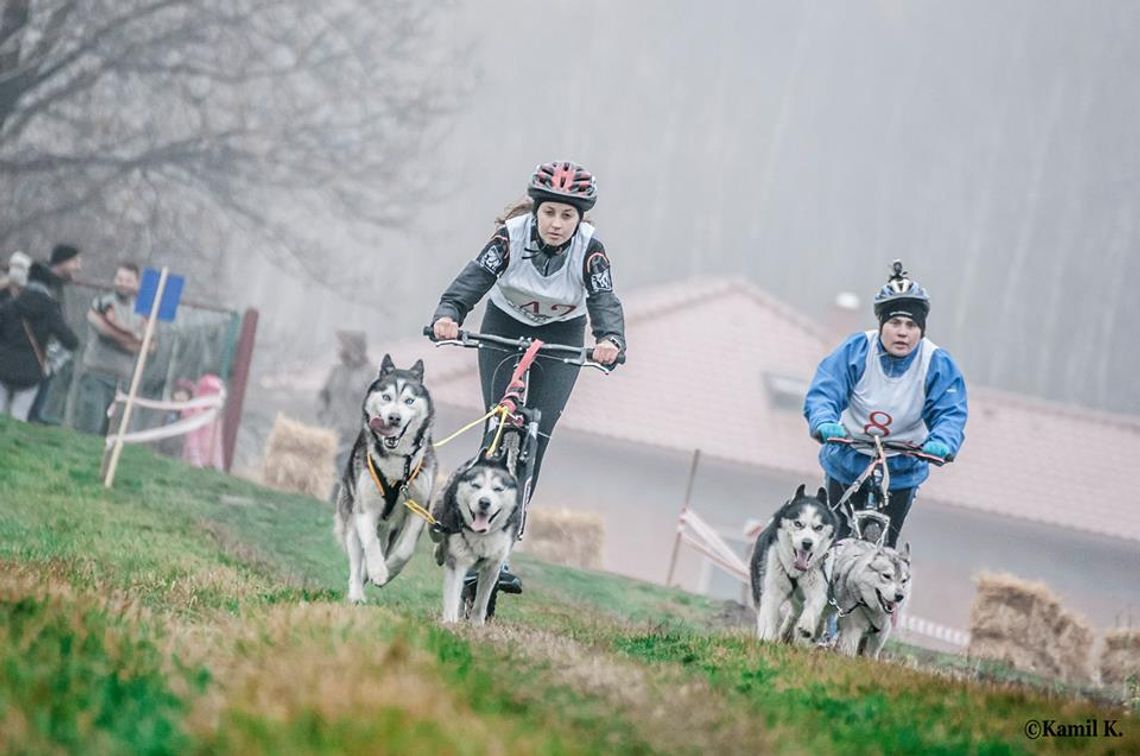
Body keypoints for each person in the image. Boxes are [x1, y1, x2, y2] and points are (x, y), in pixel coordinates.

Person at [430, 160, 627, 592]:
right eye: (550, 212)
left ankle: (502, 549)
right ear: (536, 210)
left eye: (567, 215)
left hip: (563, 332)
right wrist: (449, 313)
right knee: (498, 424)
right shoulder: (510, 236)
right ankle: (464, 528)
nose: (557, 224)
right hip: (504, 324)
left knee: (537, 435)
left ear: (580, 219)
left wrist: (610, 338)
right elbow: (474, 279)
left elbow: (604, 299)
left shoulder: (591, 249)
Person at [802, 260, 968, 549]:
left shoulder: (936, 364)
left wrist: (943, 441)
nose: (902, 332)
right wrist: (823, 420)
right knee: (833, 544)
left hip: (901, 467)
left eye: (911, 325)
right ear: (881, 325)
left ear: (922, 331)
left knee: (884, 555)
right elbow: (826, 390)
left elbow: (950, 412)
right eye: (894, 323)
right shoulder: (856, 350)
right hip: (849, 457)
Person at [0, 254, 80, 420]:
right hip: (31, 371)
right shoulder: (51, 309)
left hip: (3, 366)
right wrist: (52, 360)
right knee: (19, 418)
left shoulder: (9, 305)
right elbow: (71, 341)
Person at [74, 262, 148, 436]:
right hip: (97, 374)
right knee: (90, 427)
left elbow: (148, 345)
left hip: (123, 380)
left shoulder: (142, 311)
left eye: (128, 280)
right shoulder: (102, 303)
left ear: (136, 284)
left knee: (112, 433)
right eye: (120, 278)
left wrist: (129, 338)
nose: (123, 283)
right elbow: (104, 331)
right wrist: (132, 338)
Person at [26, 243, 83, 424]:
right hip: (31, 349)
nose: (78, 266)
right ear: (62, 262)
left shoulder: (56, 286)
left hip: (45, 351)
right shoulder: (39, 284)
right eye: (75, 261)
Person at [317, 330, 374, 475]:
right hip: (331, 434)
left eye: (344, 345)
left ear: (355, 348)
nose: (340, 348)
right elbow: (323, 396)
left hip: (355, 438)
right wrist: (323, 418)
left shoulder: (371, 375)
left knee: (345, 476)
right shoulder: (336, 371)